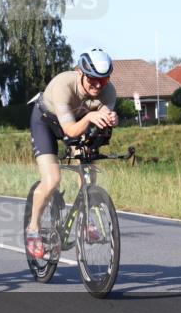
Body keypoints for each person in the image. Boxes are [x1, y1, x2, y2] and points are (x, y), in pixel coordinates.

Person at [25, 48, 119, 258]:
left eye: (103, 80)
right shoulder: (63, 85)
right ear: (80, 73)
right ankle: (33, 229)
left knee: (88, 169)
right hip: (46, 123)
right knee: (52, 180)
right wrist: (90, 117)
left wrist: (112, 119)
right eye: (93, 79)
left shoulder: (109, 91)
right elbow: (69, 130)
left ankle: (87, 220)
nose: (98, 85)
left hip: (78, 123)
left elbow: (103, 120)